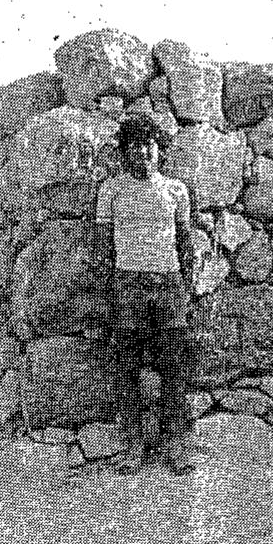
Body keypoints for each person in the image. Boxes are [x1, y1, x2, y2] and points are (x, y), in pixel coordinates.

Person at [93, 113, 198, 475]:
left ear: (159, 150)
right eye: (135, 147)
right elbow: (103, 246)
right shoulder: (112, 190)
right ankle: (133, 444)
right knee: (126, 367)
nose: (143, 153)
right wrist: (111, 290)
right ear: (124, 152)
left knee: (173, 365)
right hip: (128, 285)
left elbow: (185, 242)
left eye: (149, 145)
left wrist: (186, 284)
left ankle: (176, 445)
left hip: (168, 284)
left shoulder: (175, 190)